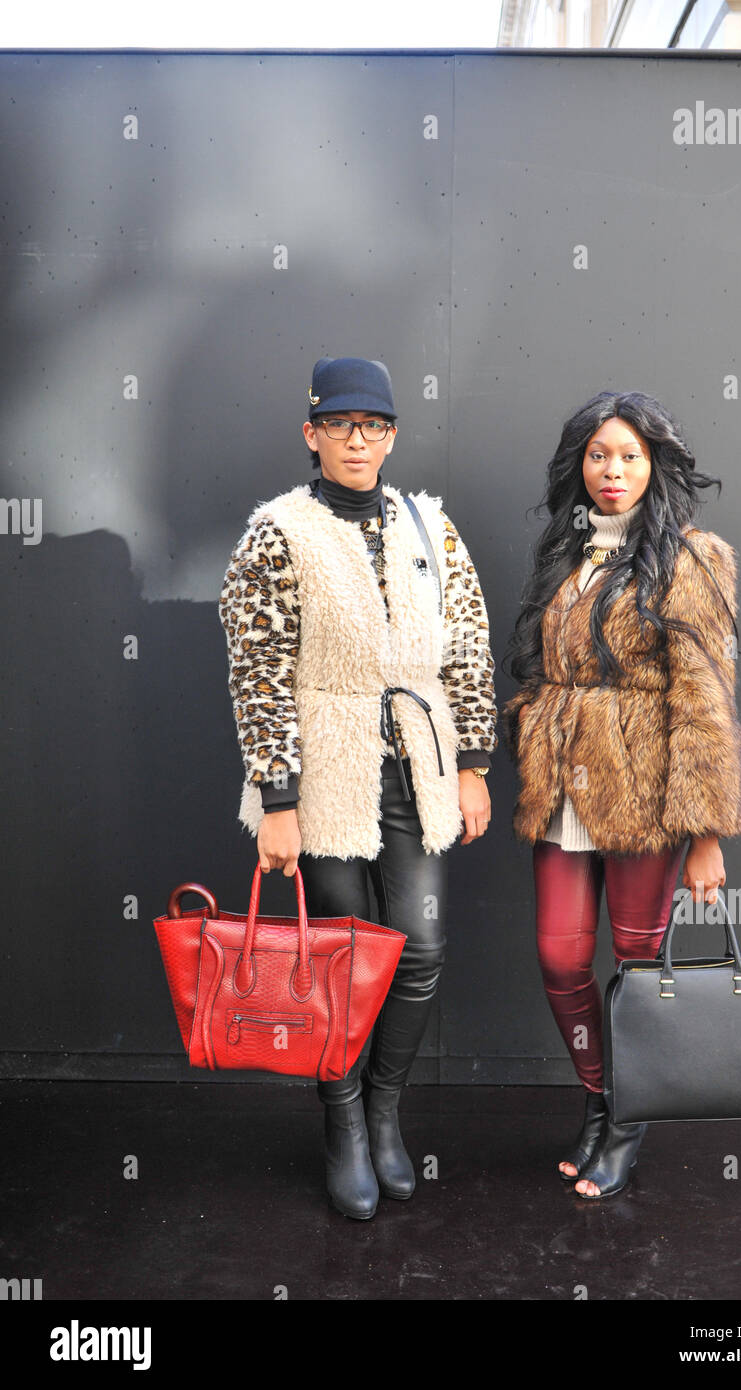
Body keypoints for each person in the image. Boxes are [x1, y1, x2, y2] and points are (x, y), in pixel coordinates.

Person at [218, 356, 497, 1219]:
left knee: (419, 948)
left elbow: (469, 642)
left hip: (418, 763)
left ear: (392, 436)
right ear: (312, 434)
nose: (357, 440)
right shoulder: (277, 532)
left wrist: (475, 764)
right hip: (324, 768)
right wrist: (277, 797)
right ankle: (341, 1121)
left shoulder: (428, 526)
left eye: (373, 425)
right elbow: (256, 670)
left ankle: (383, 1110)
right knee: (338, 959)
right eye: (340, 424)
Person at [501, 390, 741, 1200]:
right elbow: (541, 670)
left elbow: (707, 698)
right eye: (599, 455)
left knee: (639, 964)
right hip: (563, 784)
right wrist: (533, 728)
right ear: (580, 464)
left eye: (630, 456)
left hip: (648, 794)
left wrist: (707, 831)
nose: (613, 471)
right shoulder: (564, 554)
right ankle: (603, 1098)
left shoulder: (692, 556)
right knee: (560, 955)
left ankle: (628, 1124)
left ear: (655, 465)